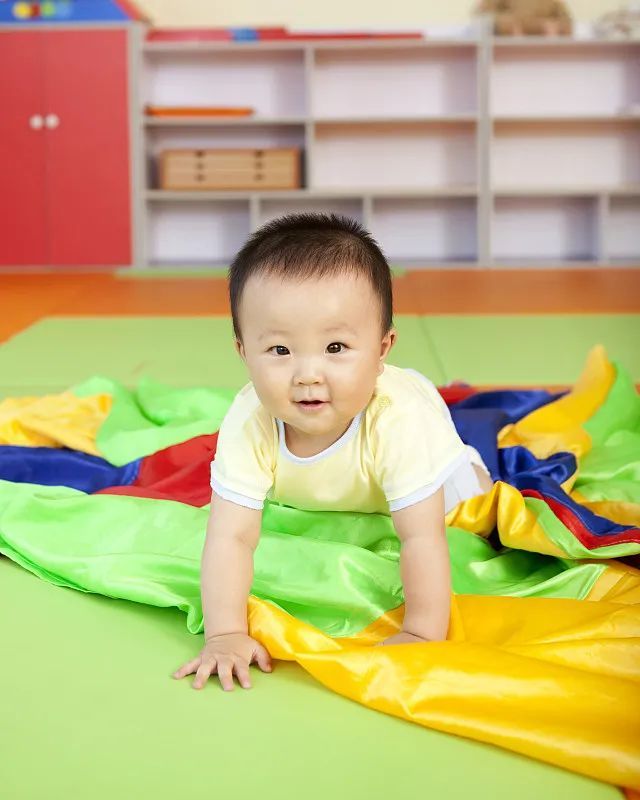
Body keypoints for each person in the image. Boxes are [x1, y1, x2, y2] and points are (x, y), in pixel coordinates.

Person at [173, 214, 493, 692]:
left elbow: (421, 539)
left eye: (336, 346)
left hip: (426, 465)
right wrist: (226, 633)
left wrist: (420, 632)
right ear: (242, 350)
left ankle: (469, 461)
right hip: (344, 486)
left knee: (476, 514)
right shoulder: (249, 417)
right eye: (279, 350)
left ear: (382, 348)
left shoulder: (398, 420)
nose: (307, 374)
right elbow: (230, 538)